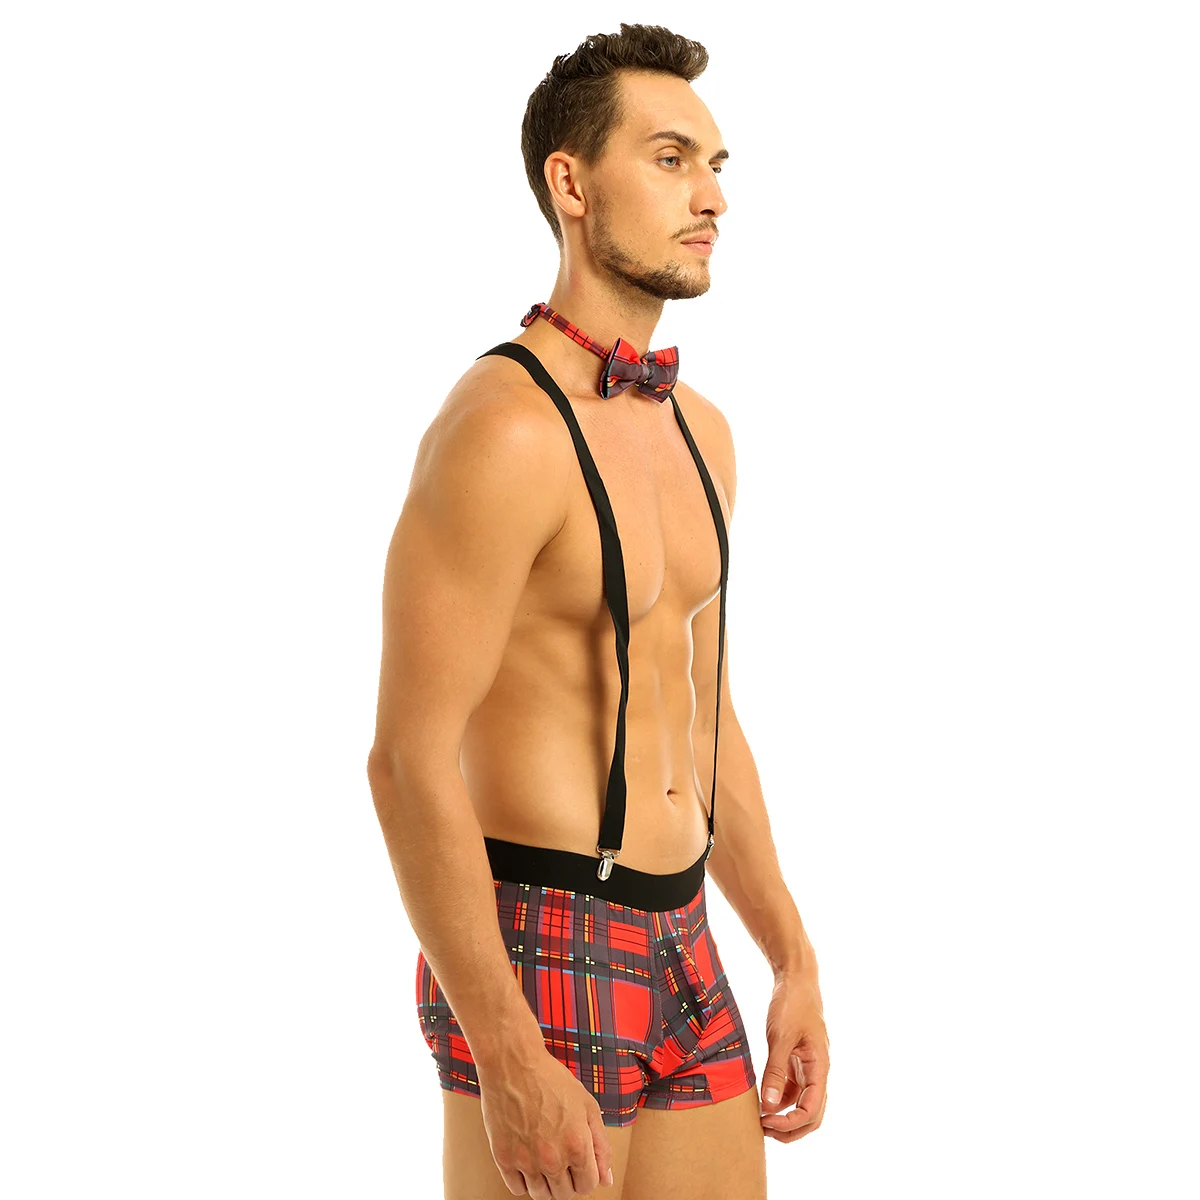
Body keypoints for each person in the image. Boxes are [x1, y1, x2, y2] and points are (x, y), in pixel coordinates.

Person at [367, 22, 829, 1199]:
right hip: (538, 932)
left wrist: (790, 953)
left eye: (716, 166)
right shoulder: (503, 430)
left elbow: (705, 719)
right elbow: (407, 761)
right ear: (570, 185)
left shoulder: (702, 433)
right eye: (671, 160)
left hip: (685, 937)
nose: (710, 197)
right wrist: (504, 1047)